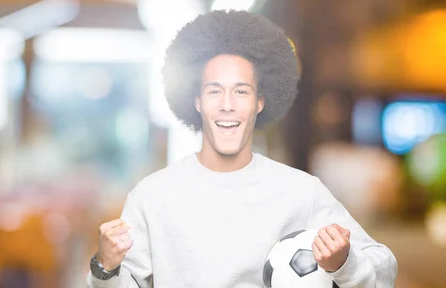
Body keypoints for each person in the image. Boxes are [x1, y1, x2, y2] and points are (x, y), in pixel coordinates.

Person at [86, 10, 397, 288]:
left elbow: (384, 271)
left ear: (260, 101)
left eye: (241, 91)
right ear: (197, 101)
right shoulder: (152, 196)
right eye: (214, 91)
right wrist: (105, 266)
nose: (227, 105)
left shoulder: (301, 192)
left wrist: (344, 264)